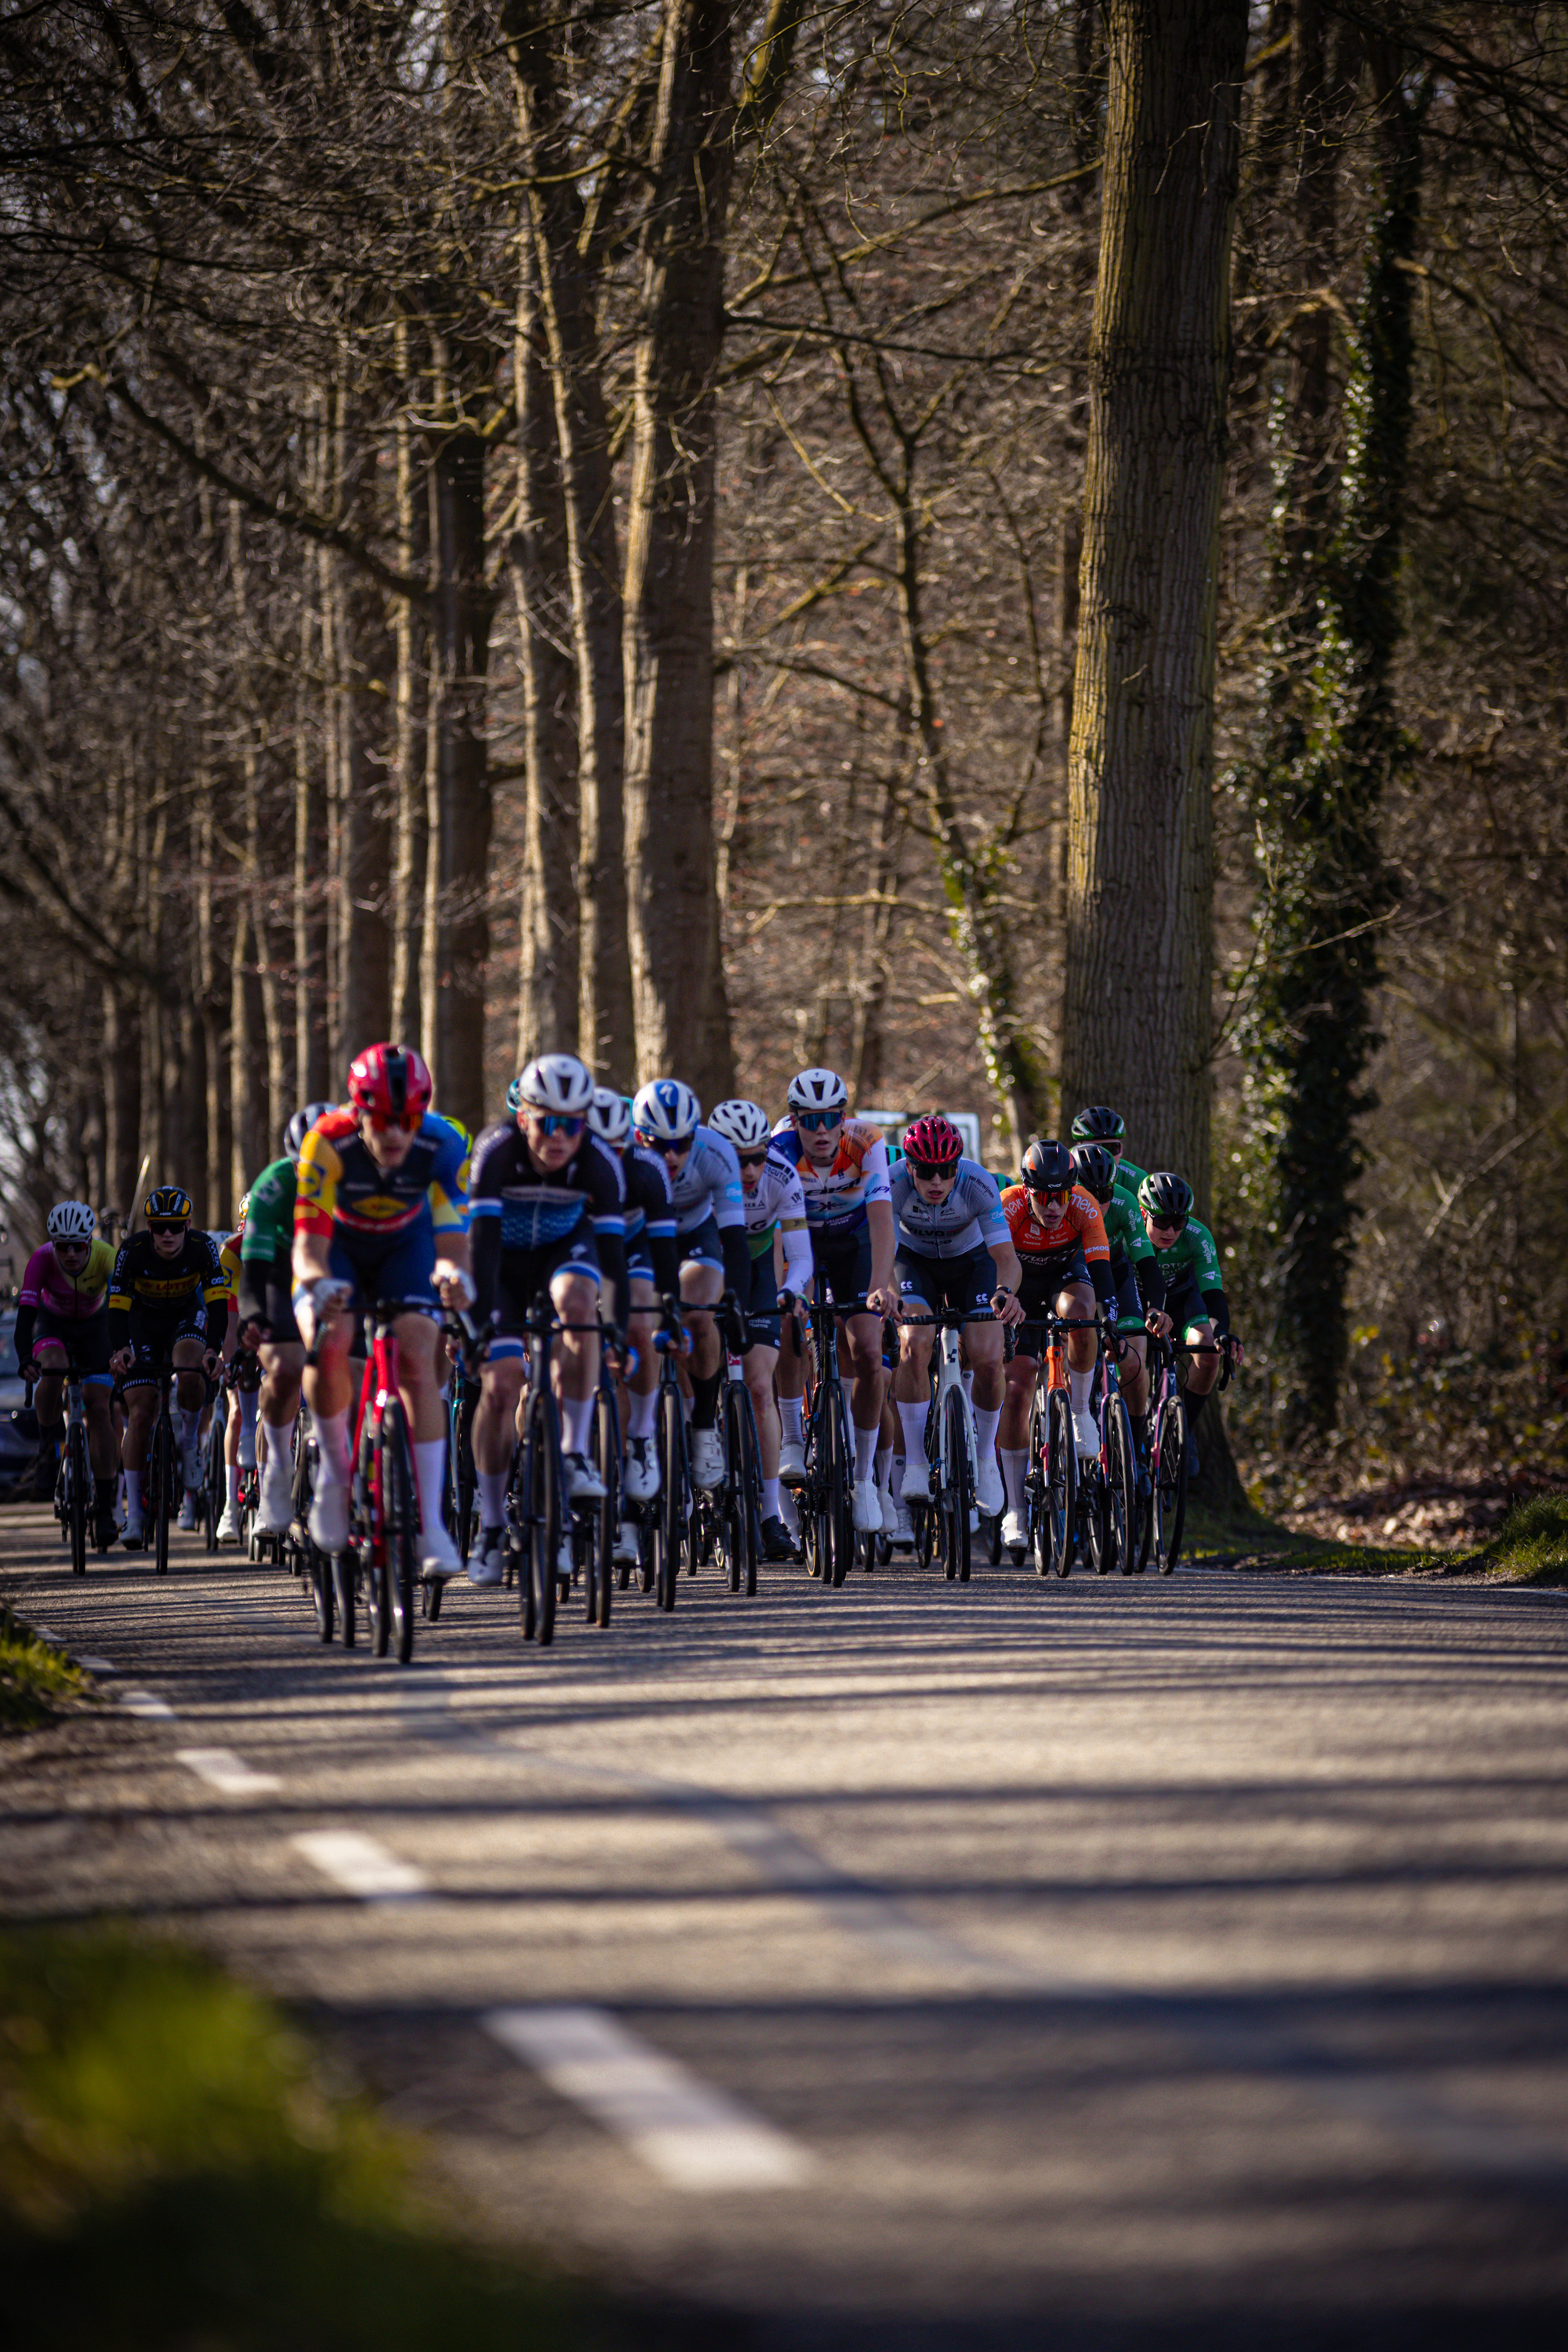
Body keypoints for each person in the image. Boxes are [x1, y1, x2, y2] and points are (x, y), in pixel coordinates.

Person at [292, 1044, 472, 1580]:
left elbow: (453, 1237)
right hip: (339, 1249)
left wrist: (453, 1276)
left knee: (421, 1346)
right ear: (359, 1112)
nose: (395, 1134)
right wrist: (319, 1286)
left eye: (407, 1120)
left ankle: (431, 1527)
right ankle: (333, 1478)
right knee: (331, 1336)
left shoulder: (440, 1143)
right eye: (383, 1120)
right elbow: (307, 1247)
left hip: (404, 1248)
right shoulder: (326, 1141)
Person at [466, 1054, 628, 1585]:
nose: (559, 1137)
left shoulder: (599, 1161)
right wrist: (477, 1327)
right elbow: (481, 1247)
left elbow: (610, 1257)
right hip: (503, 1267)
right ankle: (491, 1524)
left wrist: (618, 1329)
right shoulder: (495, 1153)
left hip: (564, 1251)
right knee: (501, 1382)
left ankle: (575, 1451)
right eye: (547, 1123)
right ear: (522, 1118)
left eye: (572, 1124)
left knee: (582, 1311)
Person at [771, 1066, 899, 1535]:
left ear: (843, 1117)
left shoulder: (867, 1142)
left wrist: (882, 1283)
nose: (821, 1131)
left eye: (830, 1119)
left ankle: (864, 1479)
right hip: (801, 1239)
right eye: (810, 1120)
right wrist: (787, 1291)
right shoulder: (778, 1151)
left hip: (855, 1242)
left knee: (868, 1350)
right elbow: (777, 1232)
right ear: (794, 1119)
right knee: (790, 1324)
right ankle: (790, 1437)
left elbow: (883, 1219)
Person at [887, 1114, 1023, 1524]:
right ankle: (914, 1462)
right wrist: (888, 1293)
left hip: (972, 1263)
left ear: (957, 1168)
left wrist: (1005, 1294)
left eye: (945, 1171)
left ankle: (984, 1463)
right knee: (914, 1344)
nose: (935, 1181)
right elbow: (881, 1252)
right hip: (913, 1263)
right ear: (910, 1167)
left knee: (987, 1353)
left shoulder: (977, 1182)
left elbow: (1006, 1260)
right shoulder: (892, 1184)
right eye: (925, 1171)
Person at [630, 1079, 753, 1496]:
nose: (671, 1156)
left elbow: (735, 1239)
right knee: (639, 1324)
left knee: (701, 1317)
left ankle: (702, 1423)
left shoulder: (715, 1152)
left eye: (681, 1144)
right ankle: (642, 1433)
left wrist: (734, 1301)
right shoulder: (623, 1157)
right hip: (643, 1240)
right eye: (659, 1144)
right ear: (637, 1136)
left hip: (695, 1234)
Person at [707, 1098, 814, 1562]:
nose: (750, 1170)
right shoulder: (700, 1171)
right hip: (706, 1260)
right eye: (738, 1159)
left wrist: (791, 1289)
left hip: (756, 1270)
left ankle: (770, 1513)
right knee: (701, 1368)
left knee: (757, 1386)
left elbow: (801, 1252)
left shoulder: (781, 1174)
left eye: (757, 1156)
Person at [996, 1140, 1116, 1547]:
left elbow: (1101, 1270)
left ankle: (1080, 1412)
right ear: (1027, 1190)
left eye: (1060, 1196)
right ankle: (1014, 1509)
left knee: (1083, 1315)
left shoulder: (1083, 1206)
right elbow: (988, 1262)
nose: (1053, 1206)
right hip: (1016, 1289)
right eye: (1044, 1197)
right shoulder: (1006, 1206)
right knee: (1018, 1386)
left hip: (1063, 1276)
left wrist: (1111, 1319)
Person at [585, 1086, 681, 1567]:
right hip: (580, 1248)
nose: (606, 1161)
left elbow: (666, 1254)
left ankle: (642, 1433)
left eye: (616, 1151)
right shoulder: (563, 1168)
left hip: (634, 1249)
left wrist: (672, 1312)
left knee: (641, 1320)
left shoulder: (646, 1169)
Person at [107, 1187, 228, 1545]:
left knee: (191, 1366)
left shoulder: (202, 1247)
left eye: (176, 1227)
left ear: (188, 1225)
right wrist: (119, 1349)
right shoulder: (131, 1251)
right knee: (141, 1411)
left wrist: (215, 1349)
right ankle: (135, 1515)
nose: (168, 1235)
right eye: (160, 1228)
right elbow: (115, 1309)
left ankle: (189, 1440)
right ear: (149, 1227)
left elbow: (218, 1305)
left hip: (184, 1319)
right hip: (141, 1323)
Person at [237, 1102, 333, 1536]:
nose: (311, 1177)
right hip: (280, 1270)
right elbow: (253, 1270)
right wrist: (253, 1315)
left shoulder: (360, 1175)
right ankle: (276, 1466)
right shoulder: (272, 1186)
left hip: (337, 1267)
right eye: (303, 1167)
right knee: (285, 1366)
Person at [14, 1201, 118, 1548]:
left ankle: (104, 1509)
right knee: (51, 1371)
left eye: (78, 1245)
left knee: (99, 1407)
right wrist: (25, 1357)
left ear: (91, 1242)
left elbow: (123, 1309)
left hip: (95, 1327)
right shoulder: (41, 1260)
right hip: (52, 1323)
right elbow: (26, 1316)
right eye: (63, 1246)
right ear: (53, 1244)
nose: (71, 1253)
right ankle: (48, 1449)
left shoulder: (107, 1256)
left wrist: (123, 1348)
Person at [1136, 1172, 1245, 1469]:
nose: (1171, 1231)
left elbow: (1213, 1294)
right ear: (1144, 1213)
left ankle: (1183, 1427)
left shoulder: (1197, 1236)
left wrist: (1223, 1331)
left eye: (1178, 1223)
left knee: (1207, 1353)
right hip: (1135, 1300)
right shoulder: (1128, 1228)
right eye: (1162, 1222)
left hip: (1182, 1298)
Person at [1069, 1140, 1161, 1464]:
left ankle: (1134, 1449)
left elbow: (1147, 1263)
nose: (1097, 1203)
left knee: (1133, 1361)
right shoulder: (1059, 1204)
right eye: (1087, 1193)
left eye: (1103, 1194)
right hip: (1071, 1275)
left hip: (1116, 1274)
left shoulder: (1124, 1204)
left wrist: (1156, 1306)